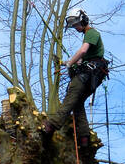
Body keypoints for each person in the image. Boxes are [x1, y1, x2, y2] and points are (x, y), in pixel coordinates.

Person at [42, 9, 109, 145]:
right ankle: (84, 138)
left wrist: (70, 63)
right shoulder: (88, 38)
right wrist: (68, 63)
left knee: (71, 96)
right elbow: (81, 59)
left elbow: (82, 51)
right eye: (73, 25)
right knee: (77, 103)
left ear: (83, 20)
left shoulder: (92, 33)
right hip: (92, 76)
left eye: (76, 24)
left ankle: (51, 126)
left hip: (88, 75)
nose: (76, 27)